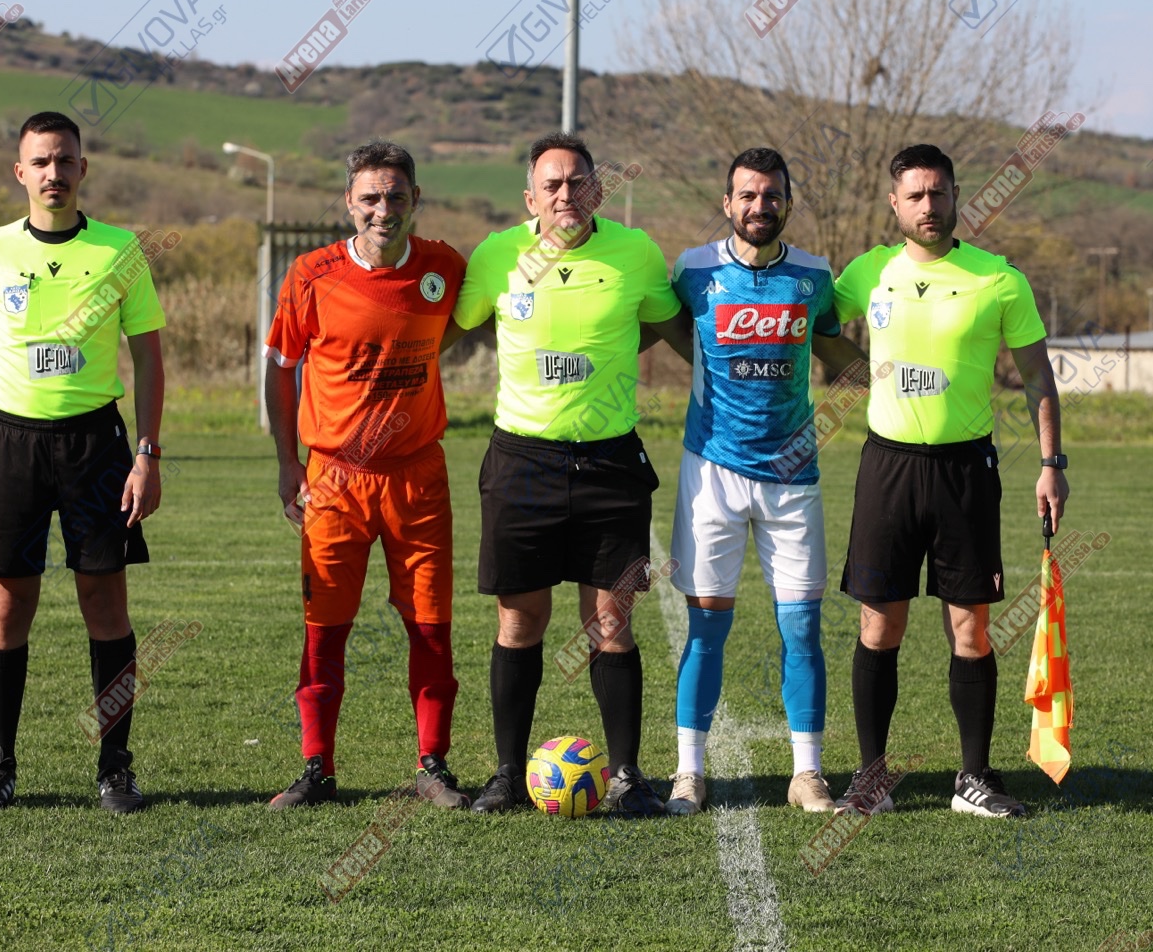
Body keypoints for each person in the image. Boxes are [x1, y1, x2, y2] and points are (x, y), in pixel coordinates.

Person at [0, 110, 166, 814]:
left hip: (97, 445)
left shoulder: (121, 250)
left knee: (105, 601)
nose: (53, 173)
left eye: (64, 160)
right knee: (9, 604)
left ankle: (115, 767)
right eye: (40, 162)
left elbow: (149, 357)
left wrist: (147, 453)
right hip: (11, 444)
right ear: (20, 172)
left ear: (82, 168)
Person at [451, 131, 692, 815]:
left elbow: (674, 330)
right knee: (519, 618)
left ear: (597, 189)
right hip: (521, 462)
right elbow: (452, 328)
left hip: (609, 464)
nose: (566, 194)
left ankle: (627, 776)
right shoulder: (498, 256)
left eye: (578, 181)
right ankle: (506, 774)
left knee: (610, 619)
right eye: (551, 184)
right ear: (530, 197)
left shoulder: (636, 253)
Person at [830, 143, 1069, 818]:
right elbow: (813, 322)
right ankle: (871, 779)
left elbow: (1038, 377)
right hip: (887, 468)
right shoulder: (868, 272)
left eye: (938, 193)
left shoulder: (998, 278)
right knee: (879, 626)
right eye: (915, 195)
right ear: (894, 203)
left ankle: (974, 779)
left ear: (957, 195)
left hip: (966, 472)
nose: (928, 206)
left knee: (971, 629)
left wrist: (1051, 465)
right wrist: (858, 369)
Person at [263, 141, 471, 810]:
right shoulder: (311, 274)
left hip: (417, 478)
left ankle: (433, 765)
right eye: (371, 198)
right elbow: (280, 368)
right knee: (324, 627)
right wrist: (287, 462)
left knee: (431, 626)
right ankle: (317, 768)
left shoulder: (445, 267)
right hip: (334, 480)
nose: (384, 209)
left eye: (396, 196)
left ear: (416, 200)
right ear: (350, 203)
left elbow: (472, 320)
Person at [664, 148, 843, 816]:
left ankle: (808, 774)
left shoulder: (815, 276)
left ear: (787, 202)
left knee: (801, 630)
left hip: (793, 480)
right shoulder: (692, 271)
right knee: (705, 630)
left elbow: (836, 348)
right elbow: (665, 329)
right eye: (747, 195)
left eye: (771, 196)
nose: (759, 206)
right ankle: (688, 773)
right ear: (727, 203)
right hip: (711, 472)